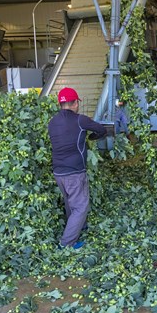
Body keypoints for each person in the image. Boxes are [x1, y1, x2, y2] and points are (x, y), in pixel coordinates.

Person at [48, 87, 107, 249]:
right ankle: (66, 244)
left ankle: (78, 228)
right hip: (74, 171)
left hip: (58, 172)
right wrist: (91, 137)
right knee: (81, 206)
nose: (77, 106)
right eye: (77, 103)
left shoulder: (52, 122)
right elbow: (101, 130)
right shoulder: (80, 120)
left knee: (70, 203)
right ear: (74, 104)